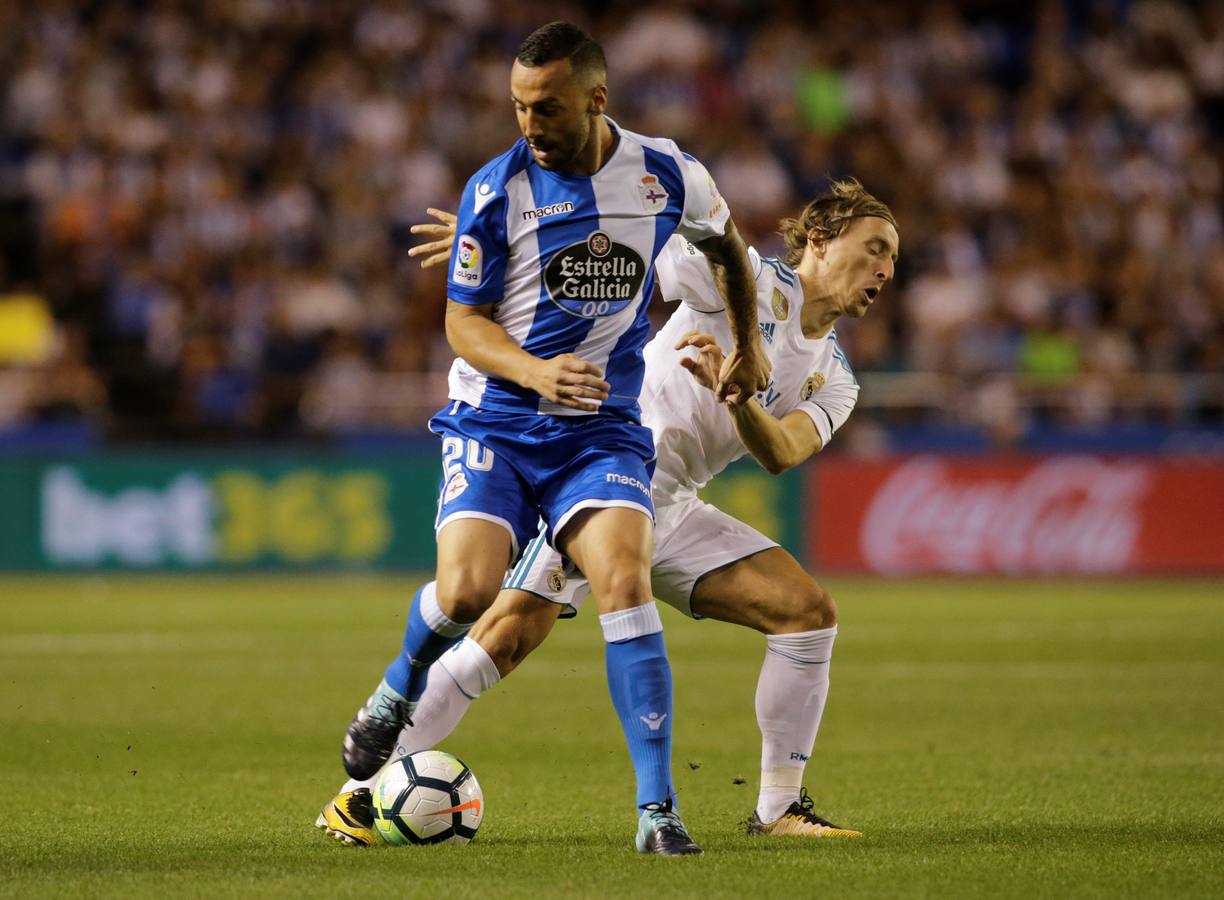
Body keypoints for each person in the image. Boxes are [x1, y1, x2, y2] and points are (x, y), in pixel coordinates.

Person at [319, 179, 899, 846]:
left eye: (892, 258)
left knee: (807, 613)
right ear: (820, 239)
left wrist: (739, 399)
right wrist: (506, 246)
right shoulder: (741, 277)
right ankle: (357, 794)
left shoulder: (836, 377)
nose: (886, 269)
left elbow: (782, 451)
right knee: (503, 638)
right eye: (875, 247)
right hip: (598, 470)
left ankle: (780, 807)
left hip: (671, 504)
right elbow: (621, 245)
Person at [331, 21, 770, 856]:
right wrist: (536, 373)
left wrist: (749, 344)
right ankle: (397, 685)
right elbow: (462, 323)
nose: (529, 123)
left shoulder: (667, 174)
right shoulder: (495, 190)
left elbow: (728, 249)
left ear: (597, 99)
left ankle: (658, 811)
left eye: (547, 107)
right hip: (497, 418)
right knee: (466, 595)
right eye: (519, 106)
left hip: (600, 428)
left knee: (625, 581)